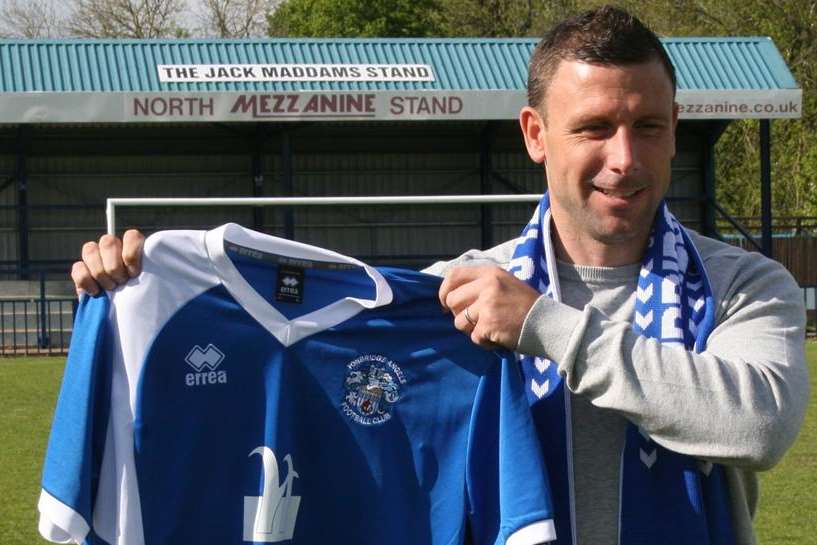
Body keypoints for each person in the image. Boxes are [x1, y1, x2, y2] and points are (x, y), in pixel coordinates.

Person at [70, 6, 808, 545]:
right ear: (534, 135)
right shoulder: (456, 294)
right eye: (592, 128)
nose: (624, 156)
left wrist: (542, 327)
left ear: (674, 127)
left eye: (647, 126)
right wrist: (127, 293)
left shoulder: (741, 284)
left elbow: (760, 424)